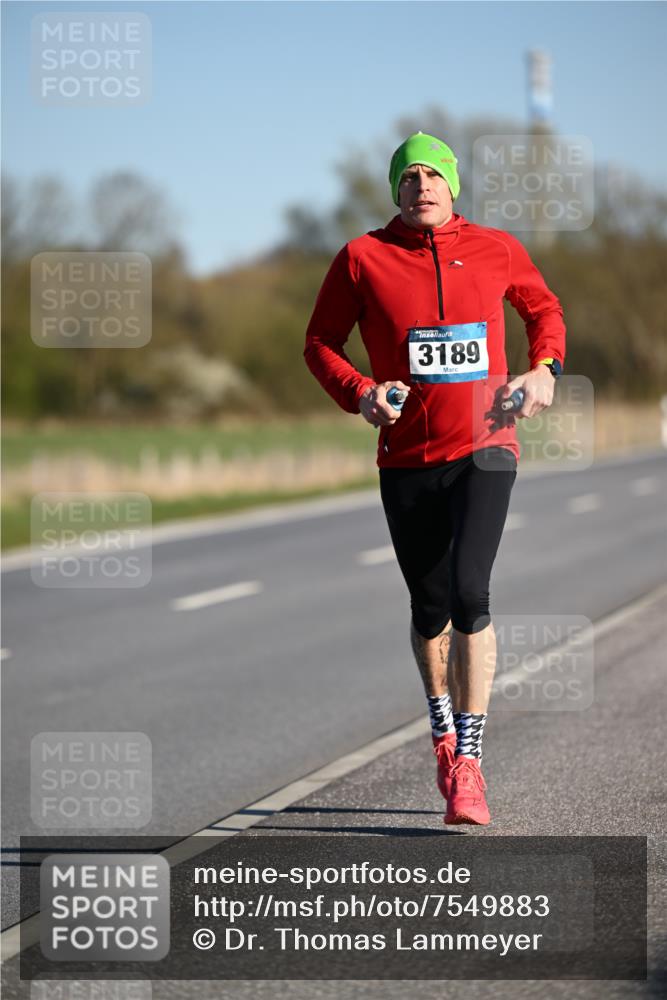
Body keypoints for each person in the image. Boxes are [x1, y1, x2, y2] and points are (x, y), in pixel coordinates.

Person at [304, 131, 565, 825]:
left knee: (470, 593)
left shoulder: (496, 248)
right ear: (395, 190)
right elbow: (319, 342)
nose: (421, 185)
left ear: (453, 186)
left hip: (486, 446)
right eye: (409, 175)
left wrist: (543, 370)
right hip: (407, 458)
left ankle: (471, 766)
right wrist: (360, 390)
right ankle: (442, 734)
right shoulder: (363, 257)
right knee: (429, 608)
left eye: (433, 174)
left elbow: (543, 310)